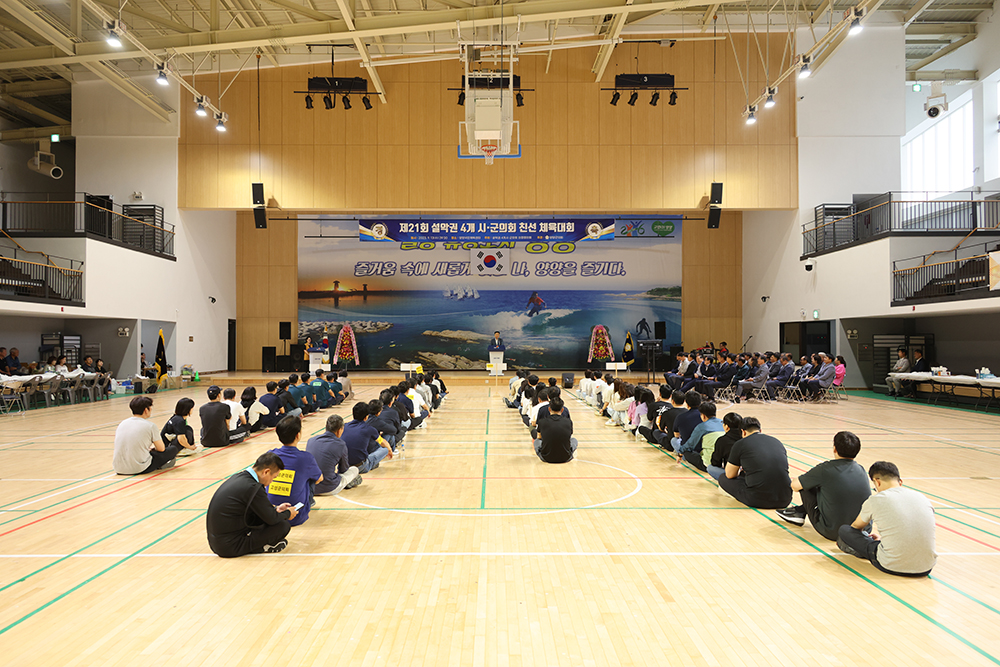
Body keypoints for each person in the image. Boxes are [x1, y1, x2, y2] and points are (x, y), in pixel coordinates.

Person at [837, 461, 937, 577]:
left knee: (845, 530)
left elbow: (855, 527)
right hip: (926, 567)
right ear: (900, 482)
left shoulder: (876, 499)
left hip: (891, 565)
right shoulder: (922, 497)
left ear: (877, 482)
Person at [775, 431, 871, 540]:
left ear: (834, 449)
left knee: (806, 485)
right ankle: (799, 511)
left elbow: (795, 485)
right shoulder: (862, 470)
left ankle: (799, 512)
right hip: (863, 530)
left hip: (833, 531)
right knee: (831, 487)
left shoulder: (825, 469)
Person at [206, 451, 297, 557]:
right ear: (266, 472)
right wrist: (287, 514)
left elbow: (259, 510)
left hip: (218, 543)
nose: (272, 481)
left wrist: (276, 510)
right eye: (274, 477)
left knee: (271, 519)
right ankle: (262, 547)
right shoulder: (254, 487)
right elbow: (272, 519)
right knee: (282, 526)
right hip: (231, 547)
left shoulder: (240, 478)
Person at [718, 417, 793, 509]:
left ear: (743, 432)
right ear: (760, 430)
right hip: (785, 499)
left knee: (722, 478)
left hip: (757, 499)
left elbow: (730, 475)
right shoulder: (776, 441)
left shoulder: (741, 443)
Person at [265, 416, 323, 526]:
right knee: (311, 478)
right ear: (298, 435)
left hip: (271, 514)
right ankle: (305, 504)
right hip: (296, 515)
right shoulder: (306, 458)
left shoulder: (270, 454)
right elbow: (320, 479)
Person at [113, 396, 180, 474]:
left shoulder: (122, 423)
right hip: (140, 468)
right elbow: (161, 449)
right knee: (173, 449)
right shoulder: (150, 426)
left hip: (118, 468)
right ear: (146, 410)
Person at [307, 414, 362, 495]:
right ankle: (347, 483)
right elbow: (344, 470)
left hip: (310, 487)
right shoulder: (341, 444)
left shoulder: (311, 440)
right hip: (329, 488)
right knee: (354, 469)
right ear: (340, 430)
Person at [342, 401, 394, 473]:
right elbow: (382, 442)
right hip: (361, 466)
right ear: (366, 416)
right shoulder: (369, 429)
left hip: (344, 466)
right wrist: (389, 450)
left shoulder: (344, 426)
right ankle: (369, 465)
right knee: (384, 449)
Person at [675, 401, 724, 469]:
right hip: (724, 462)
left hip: (708, 463)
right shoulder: (723, 423)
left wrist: (680, 454)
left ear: (703, 416)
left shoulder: (702, 426)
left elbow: (690, 444)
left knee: (686, 452)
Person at [533, 395, 577, 463]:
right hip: (566, 457)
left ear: (549, 409)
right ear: (562, 409)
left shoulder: (542, 421)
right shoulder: (568, 421)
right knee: (574, 440)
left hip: (546, 457)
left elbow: (539, 437)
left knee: (536, 442)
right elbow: (569, 436)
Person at [704, 411, 743, 480]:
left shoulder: (722, 440)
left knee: (710, 468)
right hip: (747, 473)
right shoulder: (745, 438)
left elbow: (715, 462)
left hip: (732, 474)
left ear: (727, 427)